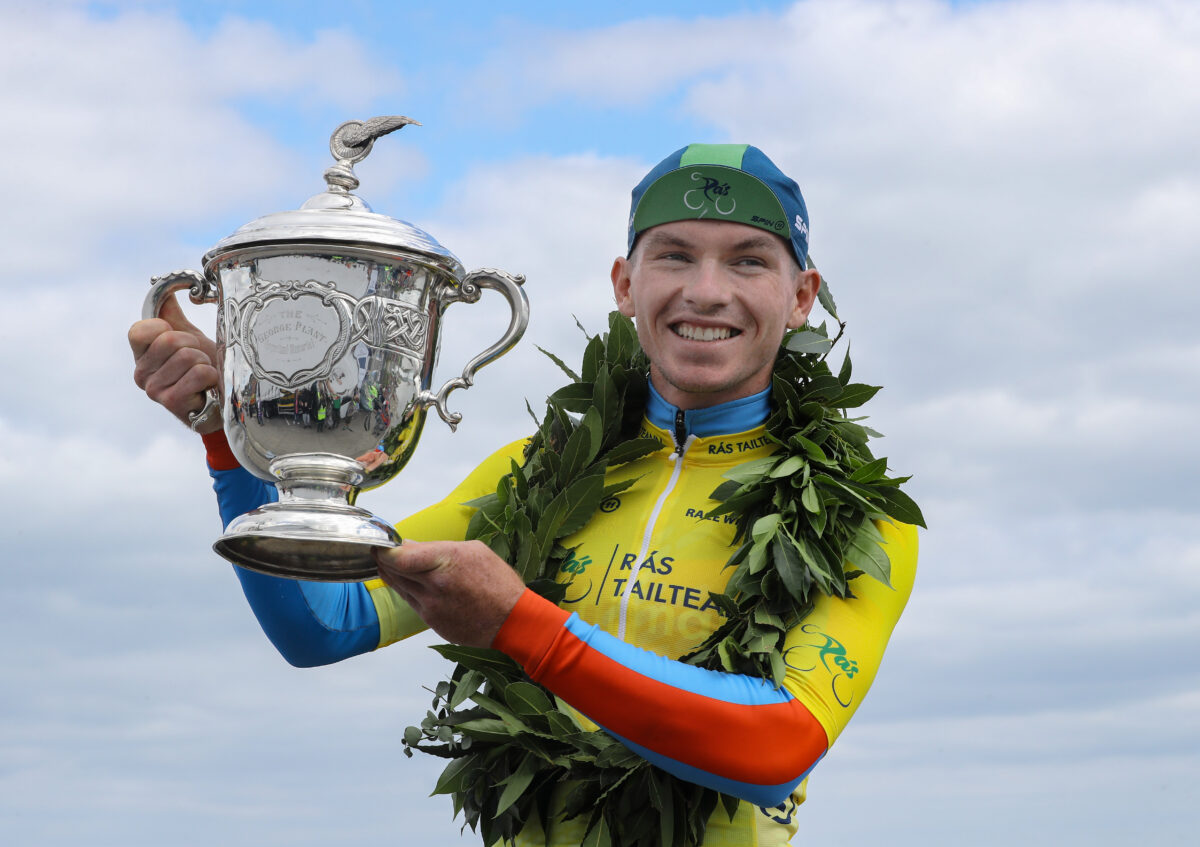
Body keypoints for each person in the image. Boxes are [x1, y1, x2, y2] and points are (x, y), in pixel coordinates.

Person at [129, 144, 918, 846]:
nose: (705, 291)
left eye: (748, 261)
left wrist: (519, 625)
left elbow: (775, 747)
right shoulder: (532, 474)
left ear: (803, 294)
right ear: (625, 284)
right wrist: (232, 436)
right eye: (674, 256)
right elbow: (324, 625)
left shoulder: (860, 513)